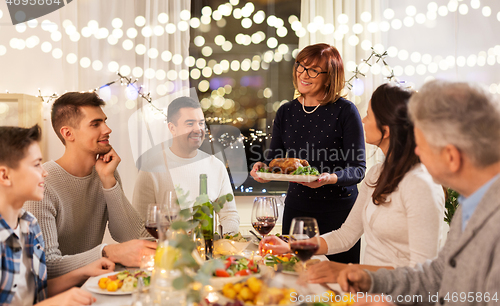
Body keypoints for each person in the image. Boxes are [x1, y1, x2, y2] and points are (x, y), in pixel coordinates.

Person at [336, 80, 500, 305]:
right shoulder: (470, 205)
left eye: (422, 145)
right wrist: (370, 280)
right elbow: (435, 275)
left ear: (451, 157)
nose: (415, 151)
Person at [260, 83, 445, 283]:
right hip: (368, 294)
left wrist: (344, 271)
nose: (363, 120)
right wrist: (292, 247)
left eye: (369, 116)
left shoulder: (421, 185)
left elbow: (424, 275)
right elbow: (346, 236)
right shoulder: (376, 175)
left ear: (387, 129)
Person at [250, 43, 366, 263]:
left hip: (339, 213)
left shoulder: (346, 111)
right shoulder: (286, 111)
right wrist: (261, 169)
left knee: (337, 289)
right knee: (294, 278)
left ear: (330, 77)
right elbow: (273, 160)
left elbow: (358, 170)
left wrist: (330, 178)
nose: (303, 74)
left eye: (313, 70)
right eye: (301, 66)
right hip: (298, 211)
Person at [24, 92, 155, 279]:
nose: (107, 129)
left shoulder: (105, 173)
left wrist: (109, 181)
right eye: (96, 124)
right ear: (68, 133)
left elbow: (132, 236)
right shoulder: (42, 183)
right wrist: (108, 252)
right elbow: (47, 266)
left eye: (105, 121)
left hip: (92, 285)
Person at [0, 125, 115, 305]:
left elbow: (37, 293)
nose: (44, 172)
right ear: (5, 176)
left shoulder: (29, 225)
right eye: (36, 164)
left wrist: (84, 272)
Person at [133, 96, 240, 234]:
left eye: (201, 123)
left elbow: (229, 215)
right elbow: (140, 228)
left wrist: (225, 243)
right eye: (190, 123)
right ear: (172, 128)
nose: (198, 129)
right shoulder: (150, 169)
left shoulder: (216, 166)